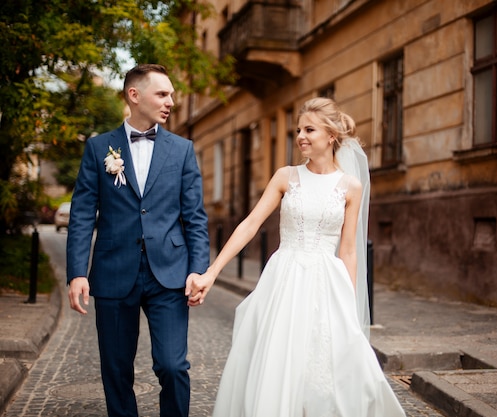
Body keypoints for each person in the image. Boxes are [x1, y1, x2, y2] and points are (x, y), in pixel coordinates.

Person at [188, 97, 406, 416]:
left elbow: (348, 249)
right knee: (278, 363)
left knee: (328, 372)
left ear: (331, 136)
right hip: (284, 280)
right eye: (298, 130)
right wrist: (211, 272)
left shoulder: (350, 187)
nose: (300, 136)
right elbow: (250, 224)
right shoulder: (285, 177)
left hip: (327, 285)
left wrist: (351, 304)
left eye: (309, 129)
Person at [66, 64, 210, 417]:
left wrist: (198, 270)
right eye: (162, 94)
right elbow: (82, 214)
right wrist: (76, 273)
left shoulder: (182, 150)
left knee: (173, 366)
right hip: (114, 272)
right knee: (116, 370)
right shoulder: (100, 147)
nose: (171, 102)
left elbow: (195, 218)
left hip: (170, 275)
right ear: (135, 95)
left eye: (171, 94)